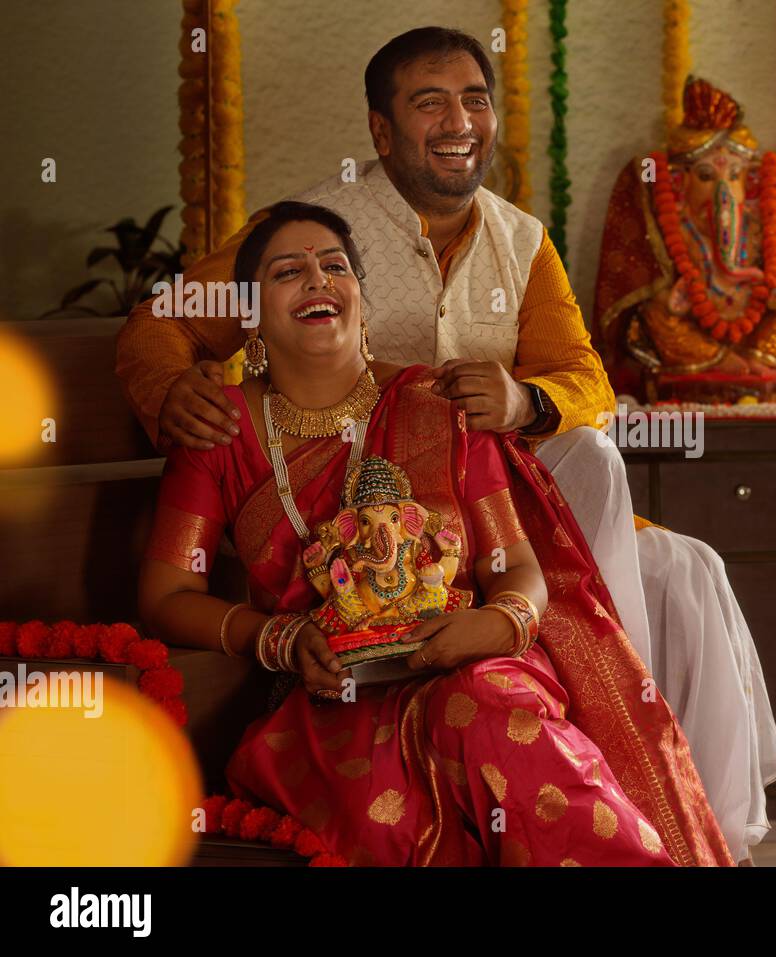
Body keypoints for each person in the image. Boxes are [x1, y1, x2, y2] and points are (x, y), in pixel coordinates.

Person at [115, 26, 776, 861]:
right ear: (382, 131)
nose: (457, 120)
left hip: (499, 503)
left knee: (686, 568)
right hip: (356, 577)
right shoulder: (314, 231)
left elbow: (587, 380)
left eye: (473, 100)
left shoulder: (522, 241)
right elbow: (162, 322)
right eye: (428, 102)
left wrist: (525, 400)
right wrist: (172, 390)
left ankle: (681, 808)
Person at [138, 202, 731, 866]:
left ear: (361, 299)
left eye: (335, 266)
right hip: (336, 695)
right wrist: (276, 637)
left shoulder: (438, 405)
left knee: (486, 707)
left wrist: (503, 621)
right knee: (393, 808)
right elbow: (166, 592)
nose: (317, 280)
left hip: (472, 657)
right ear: (250, 311)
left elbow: (516, 566)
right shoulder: (219, 431)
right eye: (288, 272)